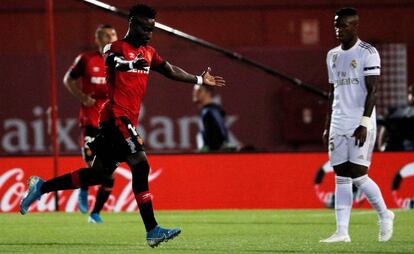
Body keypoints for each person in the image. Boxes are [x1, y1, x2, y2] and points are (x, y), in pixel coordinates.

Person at [20, 4, 225, 248]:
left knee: (98, 174)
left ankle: (42, 186)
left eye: (151, 29)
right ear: (131, 24)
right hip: (116, 116)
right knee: (141, 164)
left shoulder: (149, 52)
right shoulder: (114, 47)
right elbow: (116, 62)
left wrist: (199, 79)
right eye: (144, 27)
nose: (148, 33)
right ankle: (153, 230)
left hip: (122, 120)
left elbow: (169, 70)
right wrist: (131, 65)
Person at [320, 7, 394, 243]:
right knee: (341, 175)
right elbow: (332, 92)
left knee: (359, 175)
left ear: (355, 26)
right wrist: (326, 125)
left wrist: (364, 123)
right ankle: (342, 232)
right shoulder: (332, 55)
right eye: (335, 25)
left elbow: (373, 91)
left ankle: (385, 214)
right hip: (338, 122)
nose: (338, 30)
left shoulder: (368, 53)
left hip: (359, 121)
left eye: (343, 25)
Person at [63, 24, 118, 223]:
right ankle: (84, 188)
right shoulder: (86, 60)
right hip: (91, 119)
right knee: (91, 164)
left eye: (113, 34)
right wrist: (81, 96)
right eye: (105, 35)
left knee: (109, 173)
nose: (110, 38)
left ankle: (95, 214)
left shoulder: (121, 61)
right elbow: (68, 79)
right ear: (98, 39)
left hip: (111, 122)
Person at [192, 84, 233, 152]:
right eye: (194, 91)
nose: (195, 93)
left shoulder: (210, 111)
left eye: (199, 91)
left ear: (208, 93)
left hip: (214, 156)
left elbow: (221, 128)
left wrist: (225, 143)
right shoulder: (207, 111)